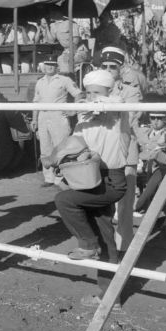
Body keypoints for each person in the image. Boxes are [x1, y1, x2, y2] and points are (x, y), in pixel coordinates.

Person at [53, 69, 129, 307]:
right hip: (87, 177)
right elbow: (74, 147)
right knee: (107, 236)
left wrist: (94, 102)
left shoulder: (117, 113)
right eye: (88, 91)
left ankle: (87, 244)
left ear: (109, 91)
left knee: (65, 201)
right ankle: (110, 297)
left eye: (97, 92)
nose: (91, 96)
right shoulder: (84, 118)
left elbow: (117, 103)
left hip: (110, 180)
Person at [100, 46, 142, 254]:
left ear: (120, 69)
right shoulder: (95, 89)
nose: (108, 70)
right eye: (104, 66)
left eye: (112, 67)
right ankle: (107, 248)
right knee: (102, 202)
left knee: (124, 206)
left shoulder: (131, 91)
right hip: (102, 153)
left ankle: (125, 248)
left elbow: (128, 118)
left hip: (125, 152)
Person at [30, 57, 82, 187]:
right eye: (47, 64)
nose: (49, 67)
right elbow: (36, 102)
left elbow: (78, 94)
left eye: (52, 65)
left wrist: (72, 111)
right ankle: (49, 178)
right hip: (43, 116)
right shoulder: (40, 82)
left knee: (60, 148)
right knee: (45, 148)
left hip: (58, 116)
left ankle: (61, 178)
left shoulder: (64, 80)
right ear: (44, 66)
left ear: (57, 67)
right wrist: (34, 119)